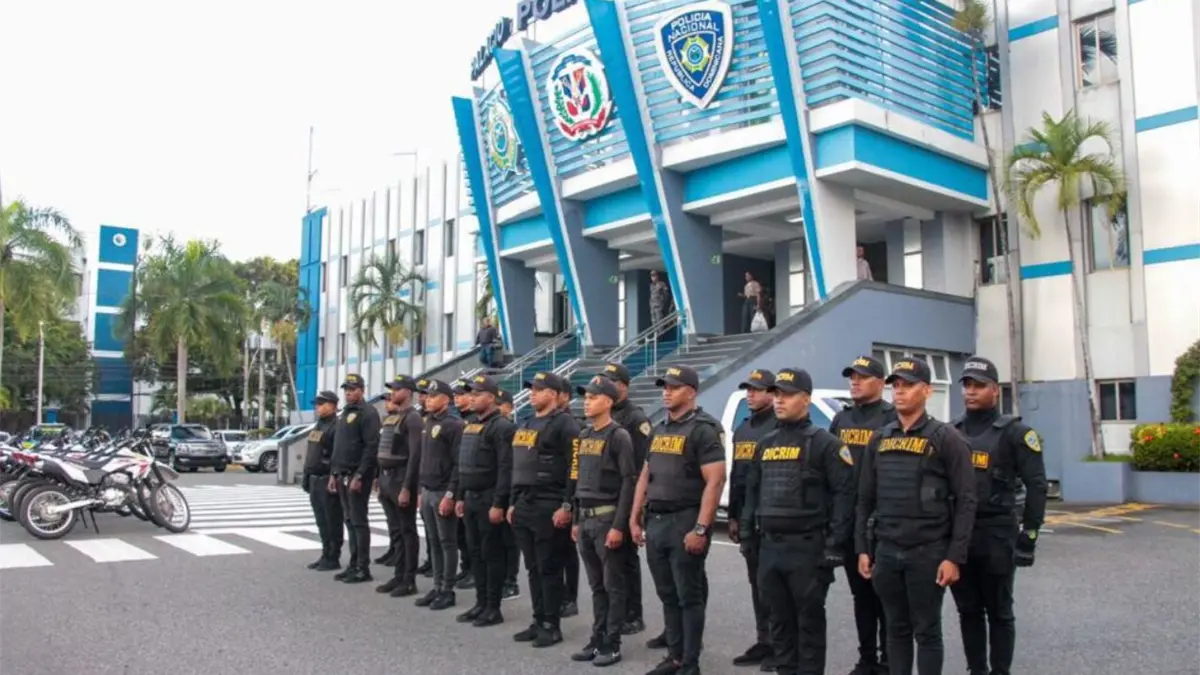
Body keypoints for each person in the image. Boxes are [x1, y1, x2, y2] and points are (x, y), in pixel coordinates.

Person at [855, 358, 977, 675]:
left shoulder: (946, 438)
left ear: (926, 391)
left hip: (928, 551)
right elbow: (865, 499)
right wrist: (863, 549)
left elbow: (966, 501)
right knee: (896, 628)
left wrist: (954, 557)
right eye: (896, 385)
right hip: (887, 550)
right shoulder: (879, 439)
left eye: (908, 386)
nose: (899, 391)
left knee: (926, 630)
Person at [741, 368, 856, 675]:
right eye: (776, 394)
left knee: (808, 625)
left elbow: (844, 496)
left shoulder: (826, 444)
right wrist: (749, 537)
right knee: (779, 624)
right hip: (770, 549)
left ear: (805, 399)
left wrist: (834, 545)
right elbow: (753, 493)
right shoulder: (765, 444)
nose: (779, 401)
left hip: (807, 549)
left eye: (787, 395)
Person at [949, 357, 1047, 675]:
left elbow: (1037, 486)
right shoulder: (951, 432)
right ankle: (976, 669)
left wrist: (1029, 535)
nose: (971, 392)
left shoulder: (1016, 433)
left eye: (978, 386)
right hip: (962, 535)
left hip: (997, 533)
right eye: (967, 385)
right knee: (968, 611)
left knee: (999, 611)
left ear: (994, 390)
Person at [631, 364, 727, 675]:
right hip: (656, 520)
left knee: (688, 595)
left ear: (692, 392)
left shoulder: (704, 429)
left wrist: (701, 528)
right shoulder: (659, 429)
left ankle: (690, 662)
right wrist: (634, 517)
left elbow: (716, 480)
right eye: (665, 387)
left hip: (685, 519)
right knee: (668, 594)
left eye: (674, 387)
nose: (666, 392)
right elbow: (645, 474)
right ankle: (674, 656)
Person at [830, 356, 897, 675]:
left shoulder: (891, 418)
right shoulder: (841, 419)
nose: (854, 382)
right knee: (861, 596)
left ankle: (888, 661)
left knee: (886, 596)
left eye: (862, 377)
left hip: (881, 520)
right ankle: (867, 658)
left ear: (881, 383)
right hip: (849, 520)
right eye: (852, 377)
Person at [570, 376, 638, 667]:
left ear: (608, 401)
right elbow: (579, 481)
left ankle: (612, 642)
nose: (587, 402)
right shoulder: (585, 435)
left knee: (613, 585)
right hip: (586, 519)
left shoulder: (618, 436)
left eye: (593, 397)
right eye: (585, 397)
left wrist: (619, 526)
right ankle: (597, 638)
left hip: (606, 518)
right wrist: (576, 519)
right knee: (597, 586)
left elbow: (628, 482)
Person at [508, 372, 580, 648]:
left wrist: (567, 505)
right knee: (532, 567)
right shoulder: (528, 422)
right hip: (525, 502)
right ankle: (538, 620)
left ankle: (551, 624)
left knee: (549, 567)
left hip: (550, 503)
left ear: (553, 394)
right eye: (531, 389)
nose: (532, 394)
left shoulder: (565, 424)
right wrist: (513, 502)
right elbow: (519, 465)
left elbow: (575, 468)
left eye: (538, 390)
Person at [455, 374, 516, 627]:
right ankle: (480, 603)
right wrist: (460, 496)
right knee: (475, 553)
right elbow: (463, 463)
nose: (472, 398)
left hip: (489, 497)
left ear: (491, 398)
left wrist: (499, 503)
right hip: (471, 497)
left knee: (492, 554)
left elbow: (506, 468)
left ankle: (493, 607)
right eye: (471, 393)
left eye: (477, 394)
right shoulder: (471, 425)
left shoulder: (502, 427)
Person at [727, 369, 778, 669]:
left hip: (769, 517)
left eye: (757, 390)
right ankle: (764, 639)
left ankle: (779, 645)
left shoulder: (778, 427)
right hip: (746, 517)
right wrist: (733, 516)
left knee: (774, 587)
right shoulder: (743, 429)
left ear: (772, 393)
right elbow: (737, 476)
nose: (751, 394)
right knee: (757, 584)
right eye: (748, 389)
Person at [596, 362, 651, 637]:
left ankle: (633, 614)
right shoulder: (604, 415)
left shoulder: (634, 418)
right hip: (606, 497)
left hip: (626, 496)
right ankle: (616, 612)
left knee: (627, 559)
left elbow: (642, 465)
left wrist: (636, 508)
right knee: (611, 562)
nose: (606, 385)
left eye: (612, 381)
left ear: (624, 386)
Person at [416, 379, 466, 611]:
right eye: (427, 396)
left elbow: (458, 463)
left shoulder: (454, 425)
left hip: (442, 490)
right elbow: (423, 459)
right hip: (427, 489)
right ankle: (437, 586)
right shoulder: (428, 422)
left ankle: (447, 589)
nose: (428, 400)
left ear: (446, 400)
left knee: (447, 542)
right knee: (433, 541)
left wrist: (451, 494)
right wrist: (420, 490)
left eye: (433, 396)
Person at [328, 373, 382, 583]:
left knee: (359, 521)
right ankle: (353, 563)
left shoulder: (368, 413)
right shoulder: (345, 412)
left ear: (362, 390)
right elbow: (339, 446)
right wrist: (334, 473)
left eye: (353, 389)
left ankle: (362, 567)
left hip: (357, 475)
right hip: (342, 473)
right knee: (349, 520)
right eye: (346, 390)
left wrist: (360, 475)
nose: (348, 393)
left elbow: (371, 447)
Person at [374, 375, 425, 598]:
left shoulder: (413, 418)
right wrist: (379, 477)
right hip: (387, 479)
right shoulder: (393, 417)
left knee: (407, 530)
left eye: (397, 389)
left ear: (408, 392)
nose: (393, 393)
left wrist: (407, 487)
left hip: (401, 479)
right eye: (392, 389)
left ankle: (409, 579)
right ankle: (398, 574)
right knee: (395, 530)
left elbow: (415, 455)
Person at [302, 390, 343, 571]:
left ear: (332, 405)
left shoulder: (337, 426)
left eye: (321, 404)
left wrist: (334, 475)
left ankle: (333, 557)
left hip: (327, 478)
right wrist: (306, 476)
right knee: (321, 521)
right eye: (316, 404)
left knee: (332, 520)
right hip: (314, 478)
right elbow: (311, 453)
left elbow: (337, 454)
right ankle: (325, 553)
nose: (317, 407)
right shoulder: (319, 425)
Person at [556, 385, 580, 618]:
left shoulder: (571, 425)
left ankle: (569, 597)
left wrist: (568, 502)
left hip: (565, 494)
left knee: (566, 550)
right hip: (549, 495)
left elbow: (574, 467)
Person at [452, 379, 477, 590]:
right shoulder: (460, 420)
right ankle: (466, 567)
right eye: (456, 395)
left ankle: (474, 571)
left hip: (474, 486)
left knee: (471, 536)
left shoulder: (474, 421)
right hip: (461, 482)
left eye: (462, 394)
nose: (457, 398)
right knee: (461, 533)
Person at [498, 388, 522, 601]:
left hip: (509, 489)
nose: (498, 408)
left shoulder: (511, 429)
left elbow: (514, 464)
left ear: (510, 407)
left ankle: (511, 581)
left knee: (509, 541)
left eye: (501, 404)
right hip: (495, 488)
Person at [416, 379, 434, 579]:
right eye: (421, 394)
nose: (423, 397)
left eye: (426, 394)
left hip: (437, 482)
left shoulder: (441, 419)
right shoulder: (420, 417)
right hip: (423, 476)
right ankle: (430, 561)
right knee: (428, 526)